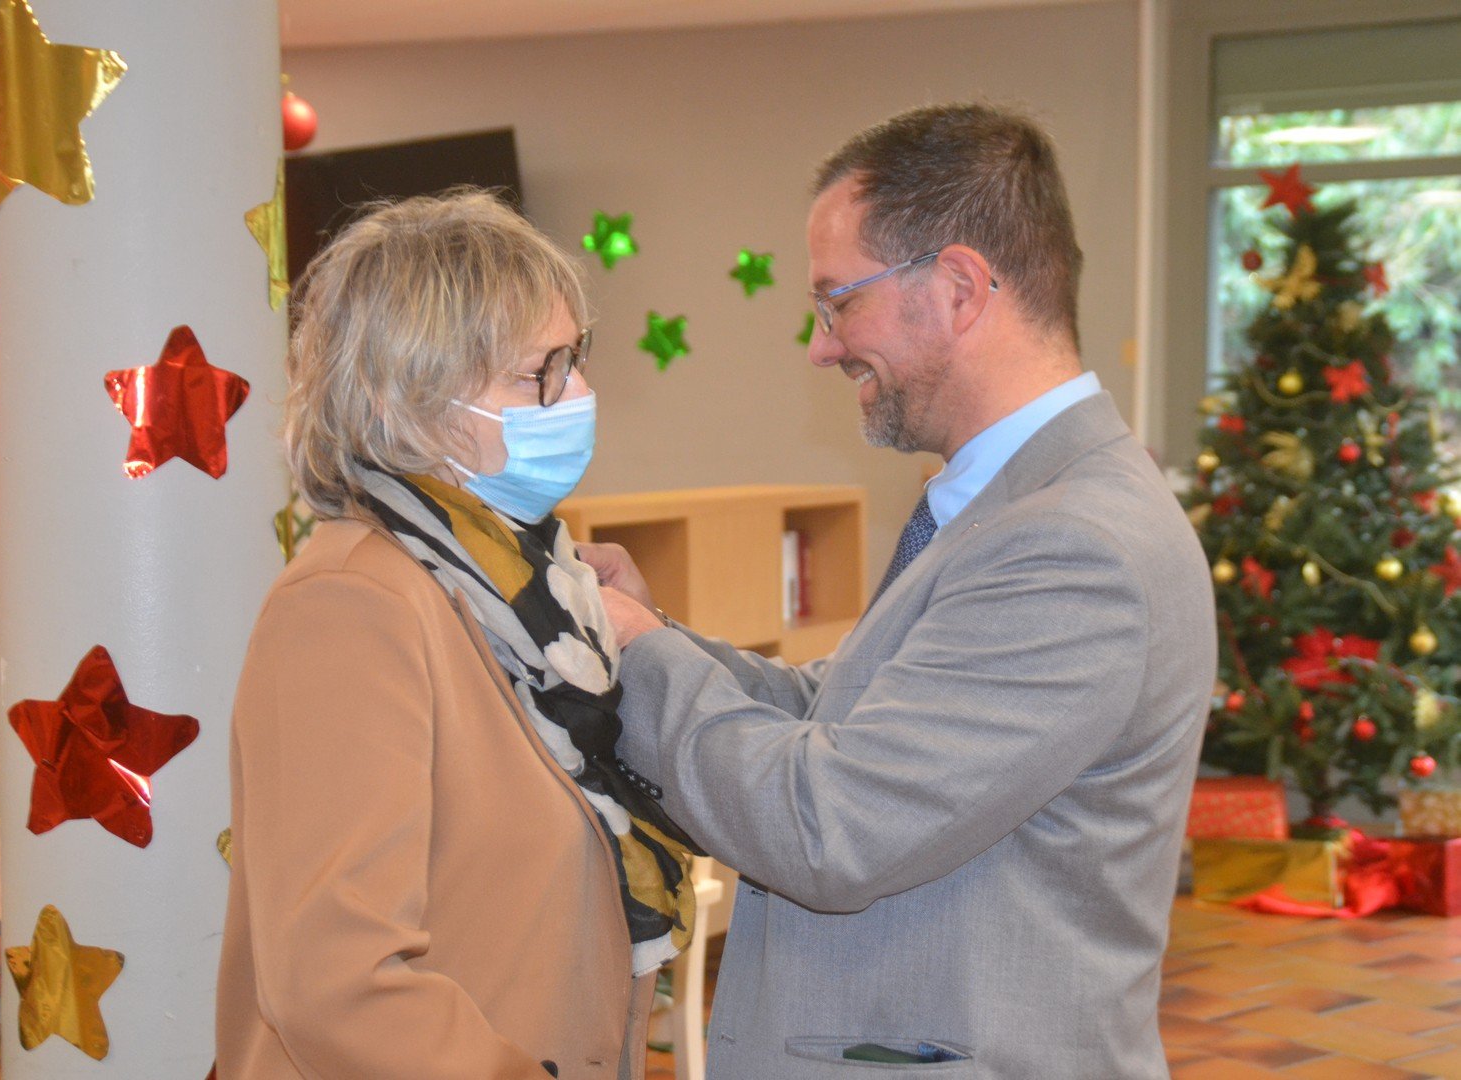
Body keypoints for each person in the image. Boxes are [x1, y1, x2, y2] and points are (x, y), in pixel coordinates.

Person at [581, 104, 1216, 1079]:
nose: (822, 345)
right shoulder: (1012, 504)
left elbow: (830, 828)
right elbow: (841, 711)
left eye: (838, 301)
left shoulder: (1070, 547)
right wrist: (657, 630)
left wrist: (642, 653)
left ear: (958, 288)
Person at [216, 190, 695, 1080]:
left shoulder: (529, 599)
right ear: (408, 399)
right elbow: (337, 983)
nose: (578, 394)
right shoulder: (351, 605)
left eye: (575, 359)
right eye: (538, 372)